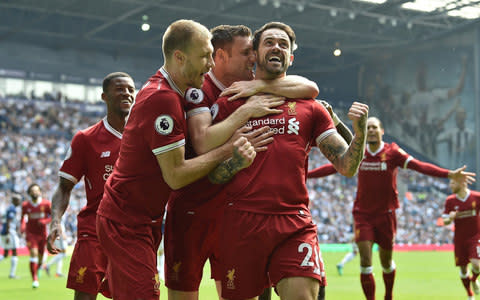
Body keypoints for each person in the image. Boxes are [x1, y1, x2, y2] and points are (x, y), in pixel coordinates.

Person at [96, 19, 256, 300]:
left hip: (141, 220)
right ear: (179, 57)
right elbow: (176, 174)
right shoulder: (163, 100)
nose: (209, 65)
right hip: (125, 222)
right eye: (205, 56)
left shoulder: (172, 93)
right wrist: (227, 149)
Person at [211, 21, 369, 300]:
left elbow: (347, 166)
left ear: (291, 57)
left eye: (283, 44)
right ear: (255, 54)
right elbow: (212, 176)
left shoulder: (312, 108)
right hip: (241, 223)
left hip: (293, 223)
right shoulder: (231, 103)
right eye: (269, 42)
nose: (276, 47)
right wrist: (235, 162)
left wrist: (360, 133)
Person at [165, 24, 320, 300]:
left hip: (230, 214)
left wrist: (258, 85)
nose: (253, 59)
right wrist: (246, 111)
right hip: (193, 211)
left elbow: (310, 87)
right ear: (221, 56)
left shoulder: (251, 86)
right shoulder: (199, 89)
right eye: (247, 52)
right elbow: (201, 141)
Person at [308, 116, 475, 300]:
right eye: (368, 127)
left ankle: (388, 295)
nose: (371, 130)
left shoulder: (393, 152)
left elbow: (419, 166)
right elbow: (332, 167)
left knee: (386, 263)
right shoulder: (358, 152)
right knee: (365, 260)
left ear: (382, 131)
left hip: (386, 216)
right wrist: (305, 174)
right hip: (362, 215)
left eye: (374, 127)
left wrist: (449, 174)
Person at [46, 71, 135, 300]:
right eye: (119, 89)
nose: (126, 93)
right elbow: (64, 187)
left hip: (135, 231)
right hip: (95, 229)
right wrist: (56, 221)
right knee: (85, 296)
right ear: (104, 96)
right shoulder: (86, 138)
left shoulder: (145, 136)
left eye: (130, 89)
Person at [443, 177, 480, 300]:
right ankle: (470, 294)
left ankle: (474, 280)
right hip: (459, 239)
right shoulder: (450, 201)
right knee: (463, 269)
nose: (451, 186)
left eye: (453, 183)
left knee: (477, 264)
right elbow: (445, 221)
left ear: (462, 183)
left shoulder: (476, 197)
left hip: (475, 236)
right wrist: (450, 218)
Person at [21, 183, 51, 288]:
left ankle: (37, 268)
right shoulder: (25, 205)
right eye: (33, 191)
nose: (35, 192)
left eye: (36, 190)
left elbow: (52, 216)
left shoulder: (46, 204)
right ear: (29, 193)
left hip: (42, 234)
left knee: (40, 257)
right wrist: (22, 226)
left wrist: (45, 221)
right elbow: (22, 218)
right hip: (30, 233)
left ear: (40, 192)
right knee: (33, 253)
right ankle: (34, 279)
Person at [0, 193, 22, 279]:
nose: (20, 202)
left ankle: (12, 274)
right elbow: (8, 221)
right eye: (19, 200)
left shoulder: (9, 208)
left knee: (5, 254)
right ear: (15, 200)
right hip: (9, 232)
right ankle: (12, 274)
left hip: (4, 232)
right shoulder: (12, 209)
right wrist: (9, 234)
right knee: (14, 252)